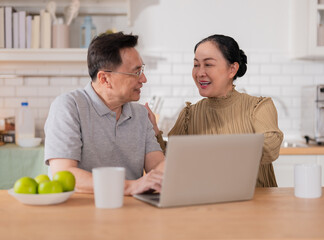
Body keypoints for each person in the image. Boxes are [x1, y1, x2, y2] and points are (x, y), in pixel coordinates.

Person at [146, 34, 283, 187]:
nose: (199, 73)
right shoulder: (189, 114)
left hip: (257, 204)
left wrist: (208, 152)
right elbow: (171, 160)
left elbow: (270, 148)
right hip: (208, 203)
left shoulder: (258, 107)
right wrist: (154, 130)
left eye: (208, 64)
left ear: (232, 69)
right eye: (196, 65)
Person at [44, 32, 164, 195]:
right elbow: (65, 174)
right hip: (80, 211)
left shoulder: (141, 115)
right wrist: (130, 187)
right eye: (136, 72)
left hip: (132, 210)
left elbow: (157, 166)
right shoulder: (69, 107)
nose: (143, 79)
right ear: (104, 79)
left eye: (141, 70)